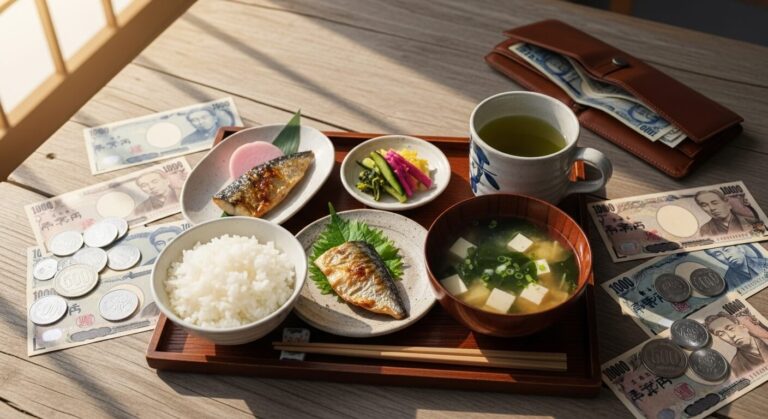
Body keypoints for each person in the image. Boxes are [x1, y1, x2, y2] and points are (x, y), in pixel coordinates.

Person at [705, 312, 768, 377]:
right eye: (721, 334)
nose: (731, 335)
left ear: (742, 326)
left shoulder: (766, 339)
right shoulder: (736, 367)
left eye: (730, 328)